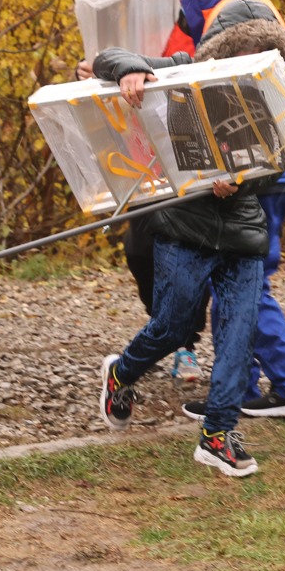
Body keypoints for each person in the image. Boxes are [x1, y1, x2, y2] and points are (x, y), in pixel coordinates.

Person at [94, 45, 266, 478]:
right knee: (173, 324)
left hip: (242, 232)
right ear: (223, 47)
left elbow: (281, 156)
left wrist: (243, 177)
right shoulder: (181, 68)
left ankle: (217, 435)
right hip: (184, 227)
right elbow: (105, 58)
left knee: (239, 334)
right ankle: (122, 372)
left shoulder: (265, 85)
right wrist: (130, 69)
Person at [173, 0, 285, 421]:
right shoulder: (250, 3)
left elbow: (229, 99)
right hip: (275, 167)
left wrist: (226, 171)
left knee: (242, 282)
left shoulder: (234, 13)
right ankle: (241, 386)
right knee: (239, 279)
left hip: (257, 171)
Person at [76, 50, 206, 383]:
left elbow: (187, 64)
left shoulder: (176, 52)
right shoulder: (115, 61)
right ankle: (162, 332)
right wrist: (88, 77)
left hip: (183, 182)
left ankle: (185, 344)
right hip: (141, 182)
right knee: (138, 252)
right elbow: (97, 99)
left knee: (184, 264)